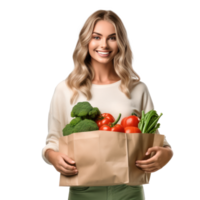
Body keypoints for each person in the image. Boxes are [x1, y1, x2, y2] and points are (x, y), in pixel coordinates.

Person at [40, 8, 175, 200]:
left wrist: (166, 154)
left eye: (112, 38)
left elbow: (156, 137)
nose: (104, 44)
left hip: (129, 190)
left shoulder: (137, 88)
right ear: (86, 40)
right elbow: (51, 141)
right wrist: (52, 157)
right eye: (96, 37)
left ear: (121, 43)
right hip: (81, 188)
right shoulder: (64, 89)